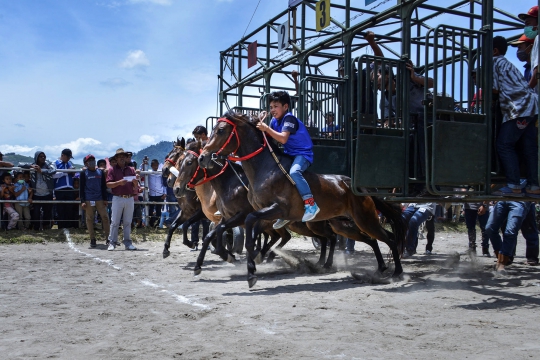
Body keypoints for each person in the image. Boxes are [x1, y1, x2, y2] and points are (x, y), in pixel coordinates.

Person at [256, 90, 319, 228]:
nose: (272, 110)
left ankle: (311, 204)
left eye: (276, 106)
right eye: (271, 107)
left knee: (295, 172)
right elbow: (269, 136)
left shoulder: (289, 119)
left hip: (303, 154)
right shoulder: (273, 120)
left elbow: (283, 138)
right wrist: (259, 121)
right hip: (289, 154)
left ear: (285, 107)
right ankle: (285, 211)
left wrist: (266, 127)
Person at [490, 36, 539, 197]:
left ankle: (514, 186)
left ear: (494, 51)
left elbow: (495, 89)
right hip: (532, 106)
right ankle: (533, 186)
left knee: (504, 145)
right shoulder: (508, 64)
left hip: (518, 109)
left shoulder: (495, 62)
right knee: (529, 148)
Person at [486, 201, 539, 273]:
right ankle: (503, 256)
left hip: (522, 200)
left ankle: (503, 261)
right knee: (491, 228)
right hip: (504, 199)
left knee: (517, 231)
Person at [106, 148, 139, 251]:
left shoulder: (131, 169)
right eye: (120, 157)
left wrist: (135, 183)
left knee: (128, 221)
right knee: (115, 221)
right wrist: (119, 183)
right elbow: (108, 184)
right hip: (117, 197)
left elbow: (136, 186)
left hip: (129, 197)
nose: (122, 158)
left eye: (123, 157)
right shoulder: (112, 169)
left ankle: (127, 242)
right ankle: (112, 242)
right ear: (116, 158)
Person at [80, 154, 110, 248]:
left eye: (93, 160)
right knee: (89, 219)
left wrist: (105, 199)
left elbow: (103, 186)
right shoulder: (84, 173)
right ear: (86, 163)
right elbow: (81, 188)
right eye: (90, 160)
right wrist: (83, 201)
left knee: (105, 217)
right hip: (89, 199)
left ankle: (108, 238)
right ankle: (92, 239)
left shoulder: (100, 172)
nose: (92, 162)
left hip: (100, 198)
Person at [21, 151, 55, 230]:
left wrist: (42, 171)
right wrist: (31, 166)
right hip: (36, 193)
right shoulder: (33, 165)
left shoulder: (48, 164)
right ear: (36, 157)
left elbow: (53, 170)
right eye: (41, 156)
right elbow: (20, 164)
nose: (43, 158)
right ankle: (36, 227)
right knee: (36, 212)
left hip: (47, 193)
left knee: (47, 211)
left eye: (44, 156)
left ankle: (45, 226)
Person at [53, 149, 78, 228]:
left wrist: (73, 172)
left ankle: (69, 225)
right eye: (67, 157)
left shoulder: (69, 163)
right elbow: (53, 175)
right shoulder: (55, 163)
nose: (68, 159)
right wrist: (66, 172)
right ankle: (61, 226)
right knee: (60, 208)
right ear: (62, 155)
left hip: (69, 188)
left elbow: (72, 173)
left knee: (69, 207)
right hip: (59, 188)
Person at [518, 5, 539, 89]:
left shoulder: (539, 38)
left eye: (528, 23)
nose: (526, 28)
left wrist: (527, 92)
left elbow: (538, 70)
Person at [147, 159, 167, 228]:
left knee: (159, 210)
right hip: (152, 194)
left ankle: (157, 224)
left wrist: (165, 193)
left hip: (160, 194)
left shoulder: (160, 173)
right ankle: (151, 223)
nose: (155, 167)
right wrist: (143, 164)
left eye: (156, 165)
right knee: (150, 209)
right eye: (154, 165)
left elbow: (163, 183)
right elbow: (140, 173)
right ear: (151, 165)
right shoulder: (148, 172)